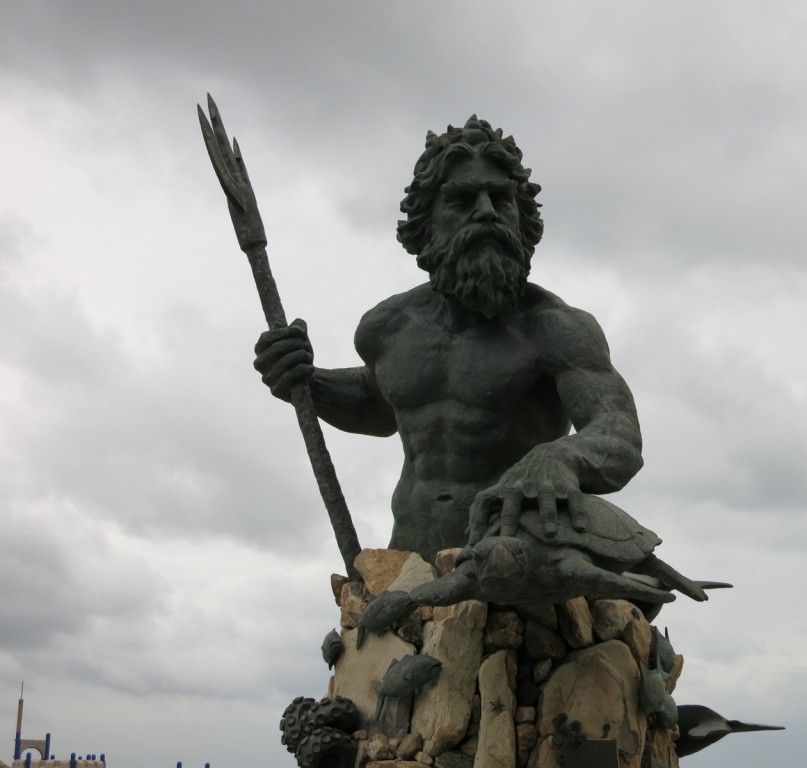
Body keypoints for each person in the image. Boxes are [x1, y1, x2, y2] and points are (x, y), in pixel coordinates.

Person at [255, 116, 643, 562]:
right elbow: (380, 404)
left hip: (516, 564)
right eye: (462, 200)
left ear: (523, 219)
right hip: (410, 562)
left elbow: (619, 434)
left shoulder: (555, 328)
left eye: (501, 200)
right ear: (427, 224)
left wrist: (562, 457)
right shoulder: (388, 325)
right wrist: (306, 382)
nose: (486, 212)